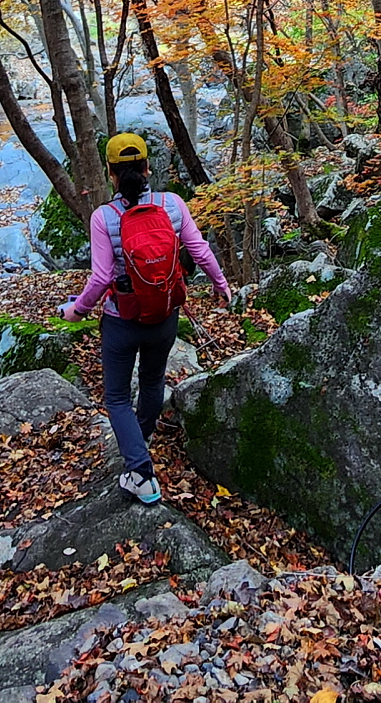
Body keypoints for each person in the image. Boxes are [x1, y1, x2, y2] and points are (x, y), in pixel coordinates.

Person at [58, 132, 232, 504]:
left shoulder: (104, 217)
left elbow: (101, 278)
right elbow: (200, 250)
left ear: (111, 173)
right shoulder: (172, 204)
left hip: (121, 320)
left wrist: (78, 310)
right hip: (164, 315)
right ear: (148, 167)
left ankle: (140, 473)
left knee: (117, 397)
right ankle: (141, 437)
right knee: (153, 381)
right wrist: (221, 284)